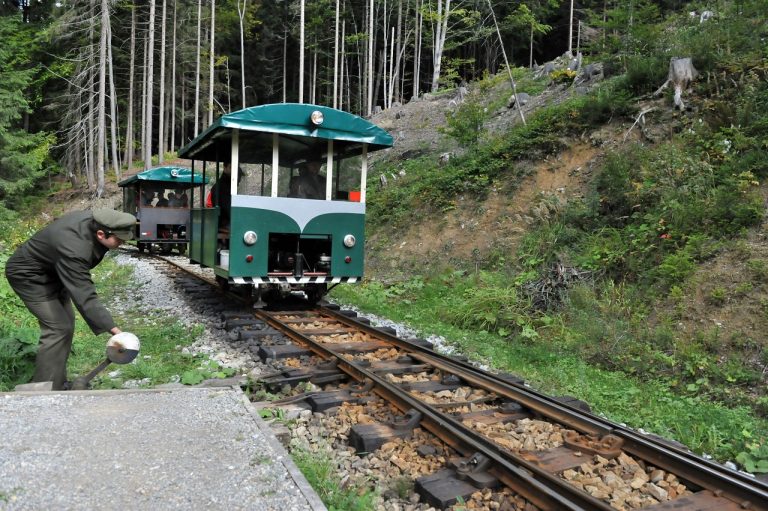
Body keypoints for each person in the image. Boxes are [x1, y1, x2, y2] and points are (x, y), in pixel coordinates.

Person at [4, 209, 136, 390]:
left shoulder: (97, 223)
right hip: (29, 277)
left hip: (56, 274)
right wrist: (115, 330)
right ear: (100, 233)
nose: (122, 243)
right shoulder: (74, 247)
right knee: (58, 327)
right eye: (119, 240)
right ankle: (44, 389)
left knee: (66, 323)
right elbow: (85, 294)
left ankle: (57, 381)